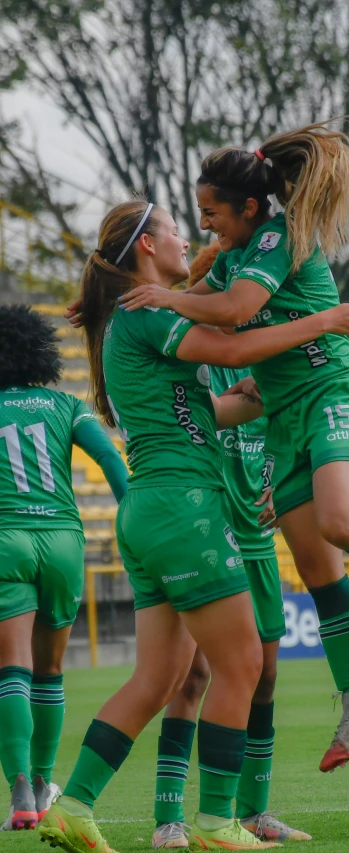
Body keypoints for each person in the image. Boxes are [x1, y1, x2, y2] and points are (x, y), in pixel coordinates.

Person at [117, 123, 349, 774]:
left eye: (211, 214)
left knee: (342, 523)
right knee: (319, 567)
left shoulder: (282, 236)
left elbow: (231, 312)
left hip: (336, 396)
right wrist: (175, 297)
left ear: (250, 208)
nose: (205, 227)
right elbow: (202, 315)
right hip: (284, 418)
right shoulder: (229, 257)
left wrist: (170, 293)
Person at [40, 200, 349, 853]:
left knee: (156, 679)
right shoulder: (148, 311)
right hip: (185, 506)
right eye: (171, 226)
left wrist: (254, 393)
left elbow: (204, 410)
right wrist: (325, 321)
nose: (186, 235)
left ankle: (73, 804)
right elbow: (233, 339)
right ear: (145, 246)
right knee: (244, 661)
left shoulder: (131, 315)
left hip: (151, 507)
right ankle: (218, 821)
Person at [151, 243, 310, 849]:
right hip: (205, 530)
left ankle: (255, 811)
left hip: (256, 534)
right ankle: (170, 816)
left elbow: (288, 429)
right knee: (191, 676)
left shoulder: (266, 355)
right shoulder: (192, 354)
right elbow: (203, 420)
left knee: (264, 674)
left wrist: (283, 478)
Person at [0, 305, 128, 832]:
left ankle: (20, 796)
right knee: (51, 671)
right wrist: (136, 519)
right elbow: (114, 464)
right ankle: (46, 779)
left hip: (5, 539)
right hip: (61, 541)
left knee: (12, 671)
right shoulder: (64, 405)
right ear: (42, 354)